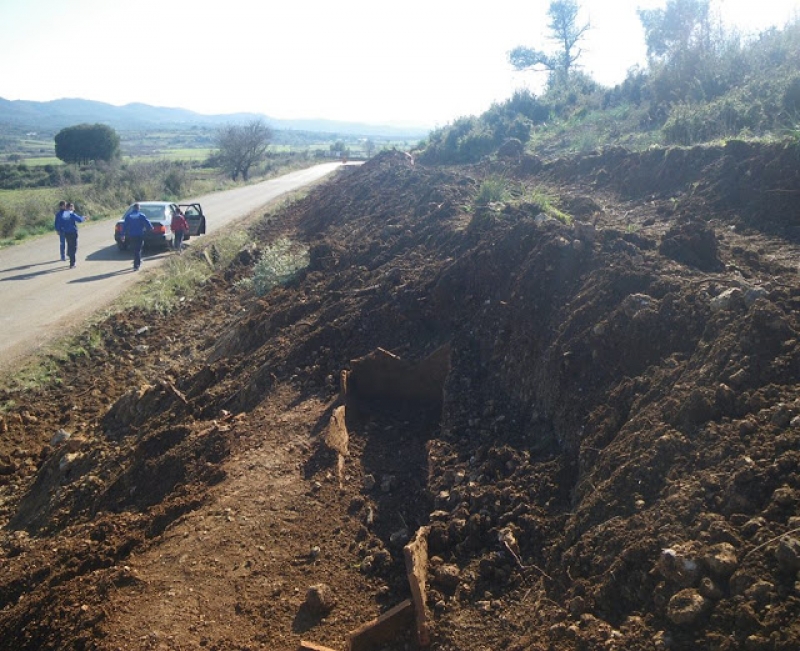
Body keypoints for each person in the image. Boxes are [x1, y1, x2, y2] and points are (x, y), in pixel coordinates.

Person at [122, 203, 154, 271]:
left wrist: (123, 235)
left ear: (133, 208)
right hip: (139, 235)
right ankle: (136, 265)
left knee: (135, 249)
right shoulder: (141, 215)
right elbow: (147, 223)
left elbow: (124, 226)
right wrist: (151, 228)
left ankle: (138, 260)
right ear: (138, 208)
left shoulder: (128, 216)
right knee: (138, 249)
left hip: (131, 235)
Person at [57, 202, 88, 268]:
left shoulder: (63, 214)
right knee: (73, 248)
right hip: (73, 232)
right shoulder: (71, 214)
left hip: (66, 233)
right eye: (72, 207)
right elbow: (79, 220)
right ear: (70, 207)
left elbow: (59, 223)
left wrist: (59, 230)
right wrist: (83, 218)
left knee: (69, 245)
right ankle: (72, 263)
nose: (73, 209)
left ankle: (70, 256)